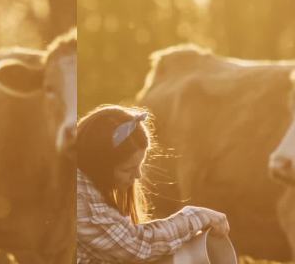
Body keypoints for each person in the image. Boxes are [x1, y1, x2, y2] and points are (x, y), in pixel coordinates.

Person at [76, 104, 230, 263]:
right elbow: (137, 246)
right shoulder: (80, 199)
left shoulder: (87, 186)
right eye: (127, 169)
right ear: (100, 167)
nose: (137, 175)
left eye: (139, 166)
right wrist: (196, 216)